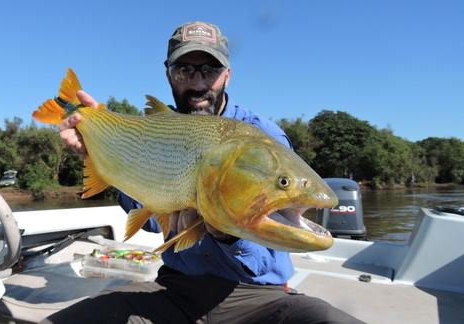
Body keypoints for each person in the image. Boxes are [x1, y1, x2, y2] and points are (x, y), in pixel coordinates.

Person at [42, 21, 363, 324]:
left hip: (256, 296)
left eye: (210, 70)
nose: (198, 83)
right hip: (175, 292)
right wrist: (101, 151)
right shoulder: (157, 130)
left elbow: (268, 254)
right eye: (184, 70)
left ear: (227, 75)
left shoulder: (263, 137)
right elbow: (153, 221)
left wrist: (227, 235)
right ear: (169, 74)